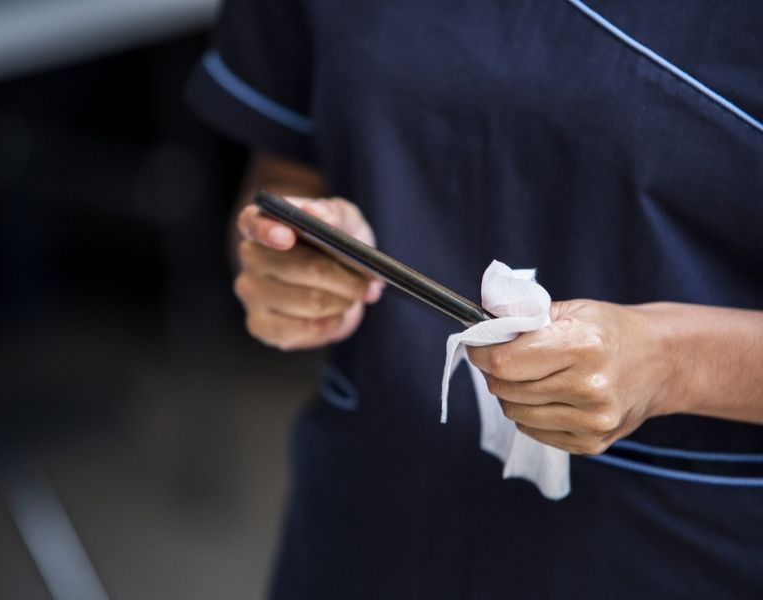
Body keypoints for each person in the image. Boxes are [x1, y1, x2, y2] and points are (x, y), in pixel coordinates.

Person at [187, 1, 763, 597]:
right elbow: (282, 176)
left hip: (672, 544)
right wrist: (290, 262)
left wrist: (677, 361)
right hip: (376, 513)